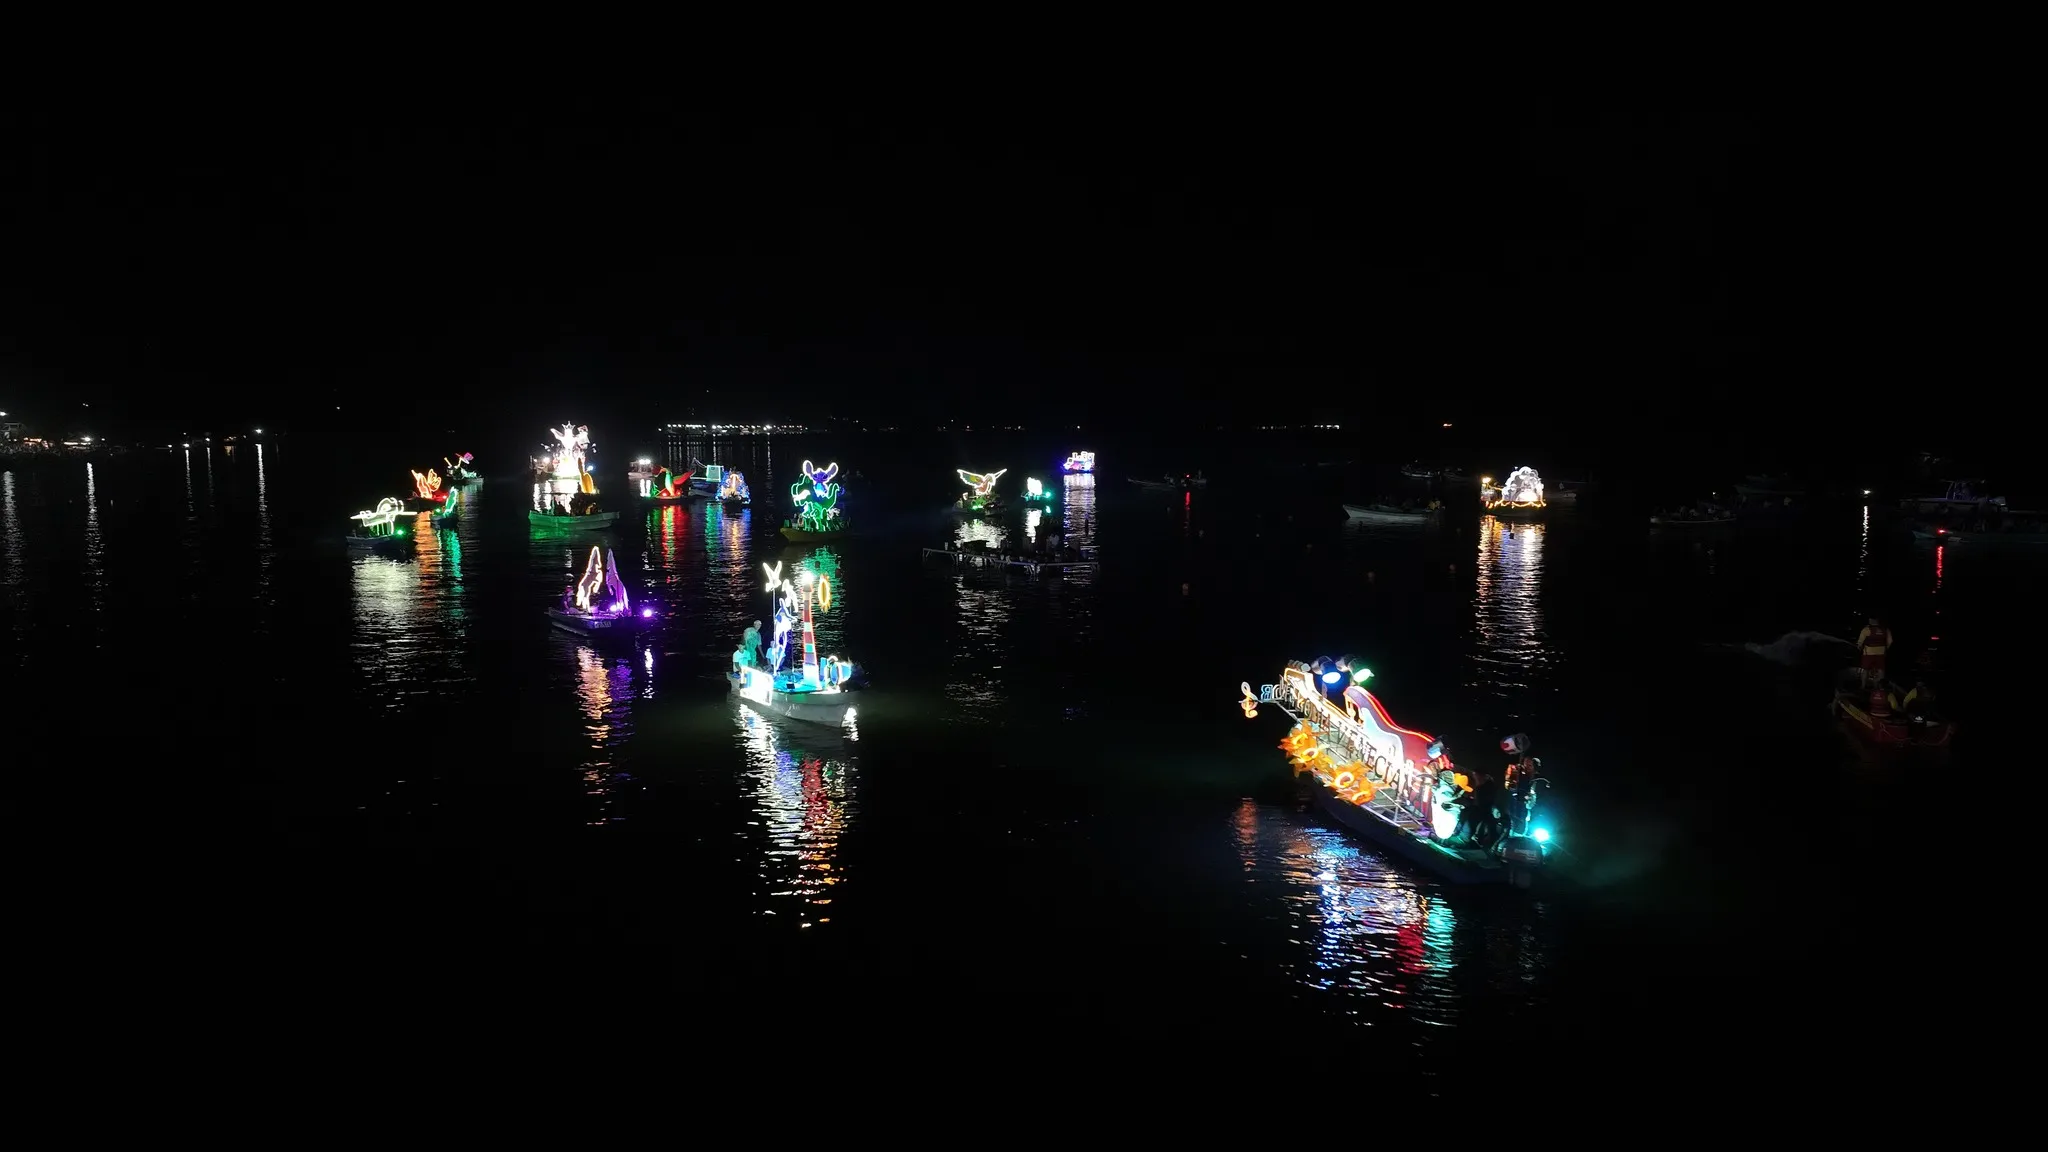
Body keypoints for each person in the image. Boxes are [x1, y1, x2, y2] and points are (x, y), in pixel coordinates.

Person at [1855, 617, 1889, 687]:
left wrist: (1859, 647)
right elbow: (1890, 641)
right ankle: (1879, 687)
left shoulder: (1866, 629)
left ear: (1871, 620)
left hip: (1868, 653)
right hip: (1881, 654)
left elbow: (1860, 642)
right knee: (1880, 670)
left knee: (1865, 670)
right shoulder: (1885, 629)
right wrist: (1884, 649)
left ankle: (1863, 686)